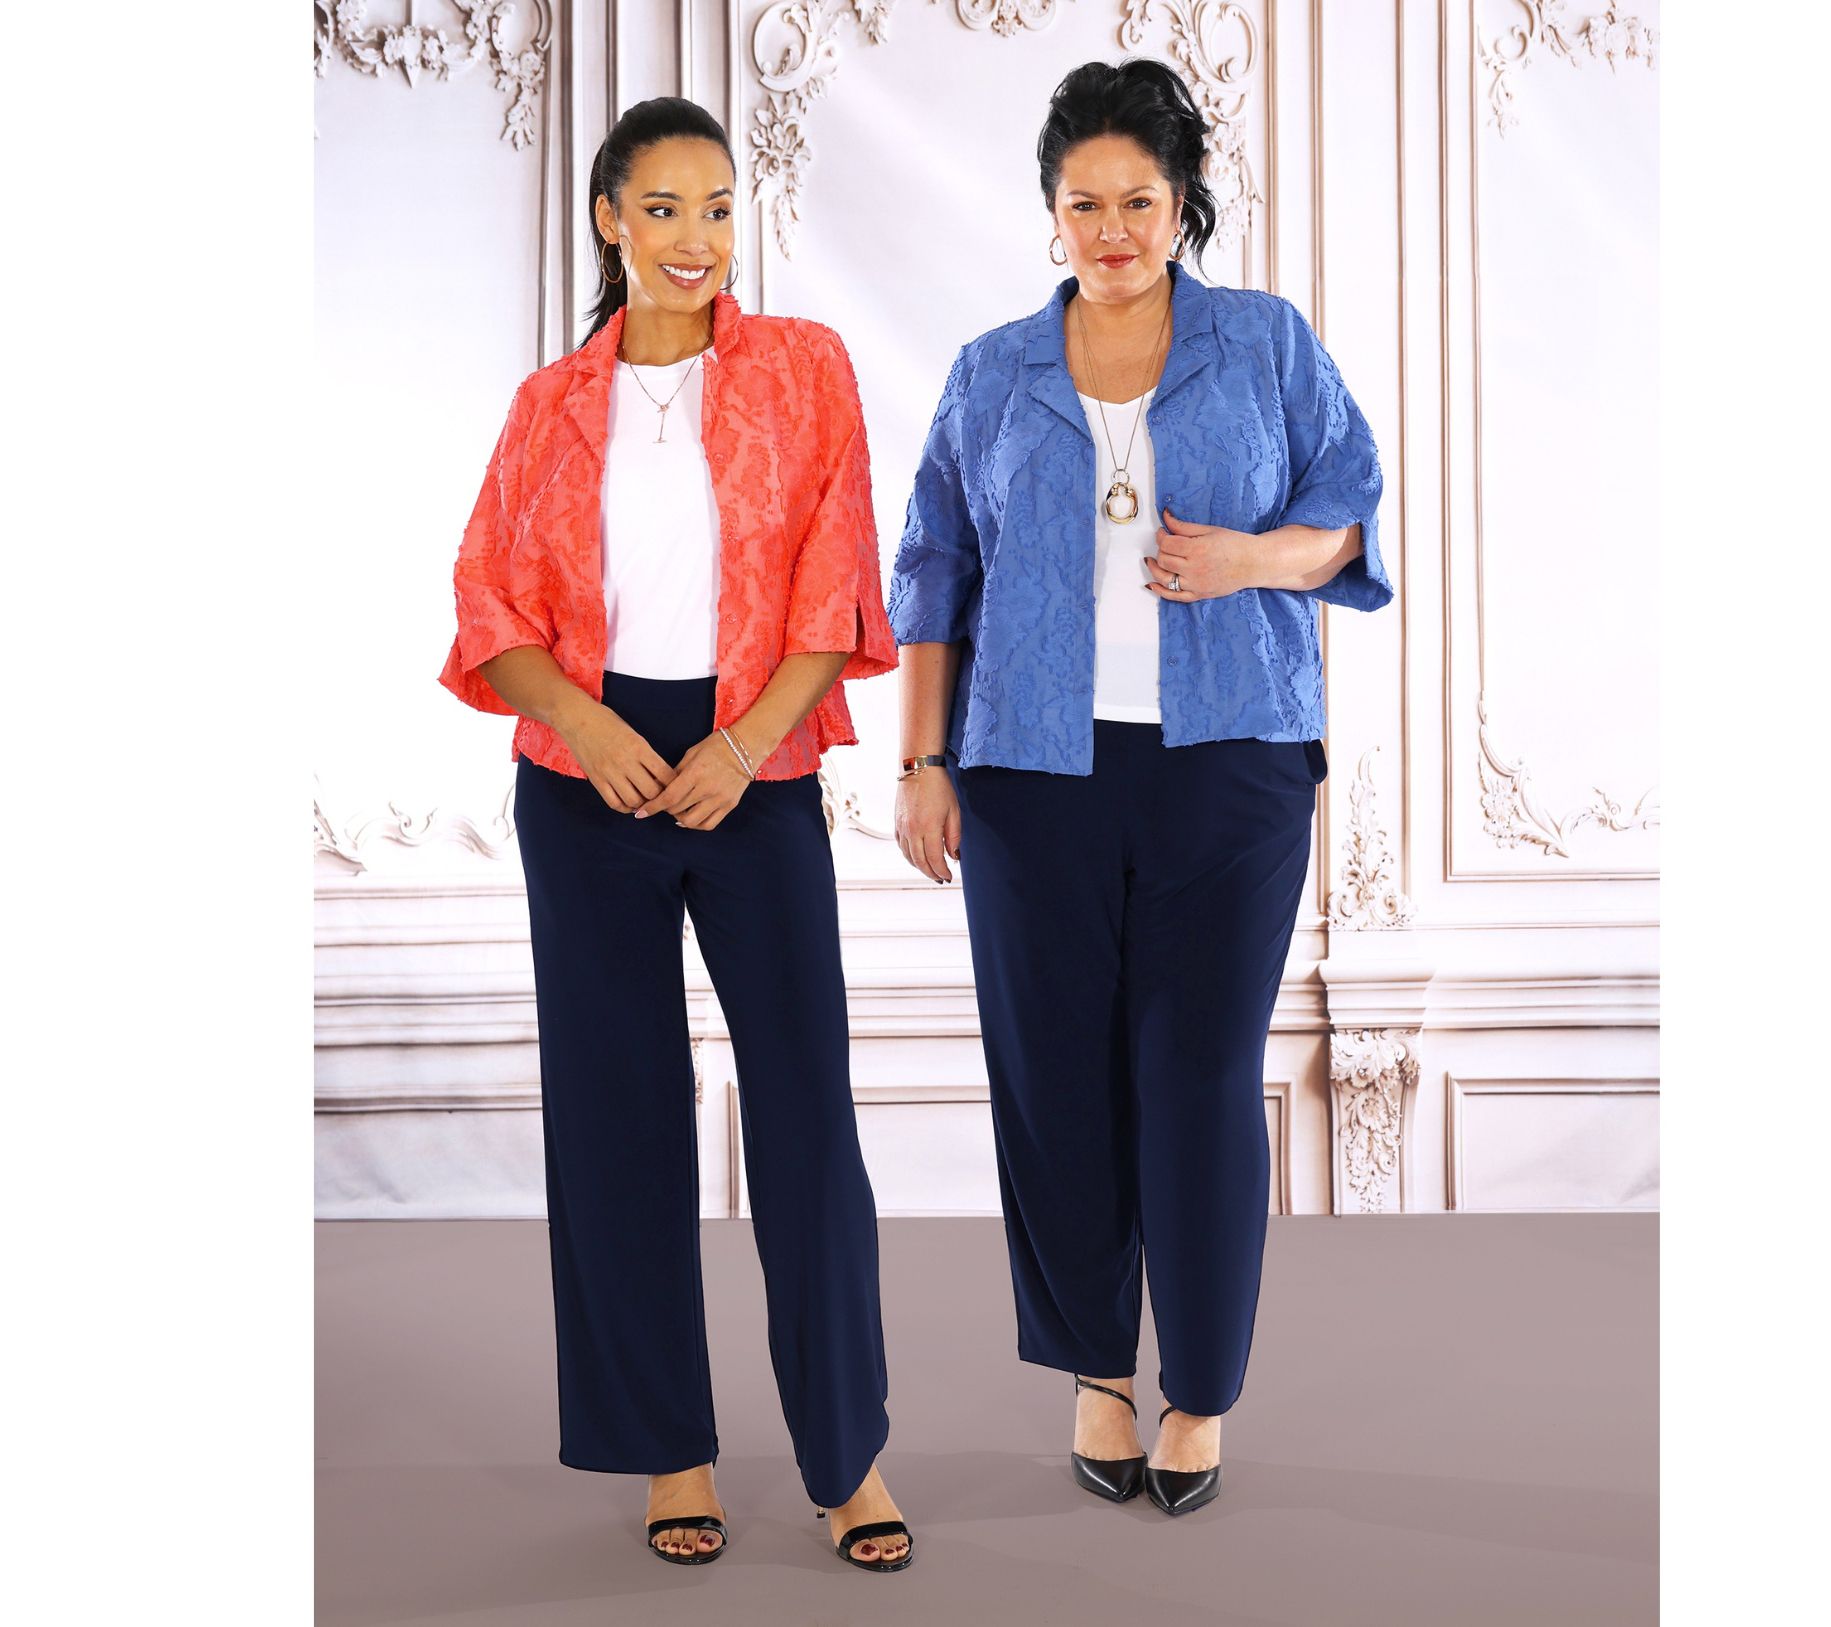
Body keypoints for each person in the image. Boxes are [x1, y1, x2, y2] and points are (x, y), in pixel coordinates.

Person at [887, 59, 1390, 1520]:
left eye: (1139, 202)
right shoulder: (991, 372)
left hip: (1230, 766)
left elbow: (1349, 508)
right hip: (1028, 775)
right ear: (1052, 213)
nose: (1111, 230)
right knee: (1057, 1081)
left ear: (1184, 207)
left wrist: (1245, 559)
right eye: (1084, 204)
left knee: (1197, 1079)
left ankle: (1201, 1393)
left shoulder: (1265, 342)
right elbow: (931, 572)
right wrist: (921, 763)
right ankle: (1098, 1370)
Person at [439, 96, 914, 1572]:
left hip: (751, 765)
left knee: (805, 1111)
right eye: (662, 209)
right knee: (617, 1117)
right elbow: (487, 602)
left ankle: (848, 1457)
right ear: (609, 221)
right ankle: (670, 1449)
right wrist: (585, 732)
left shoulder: (804, 369)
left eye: (716, 208)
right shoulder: (550, 404)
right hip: (586, 777)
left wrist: (744, 746)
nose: (696, 238)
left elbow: (838, 583)